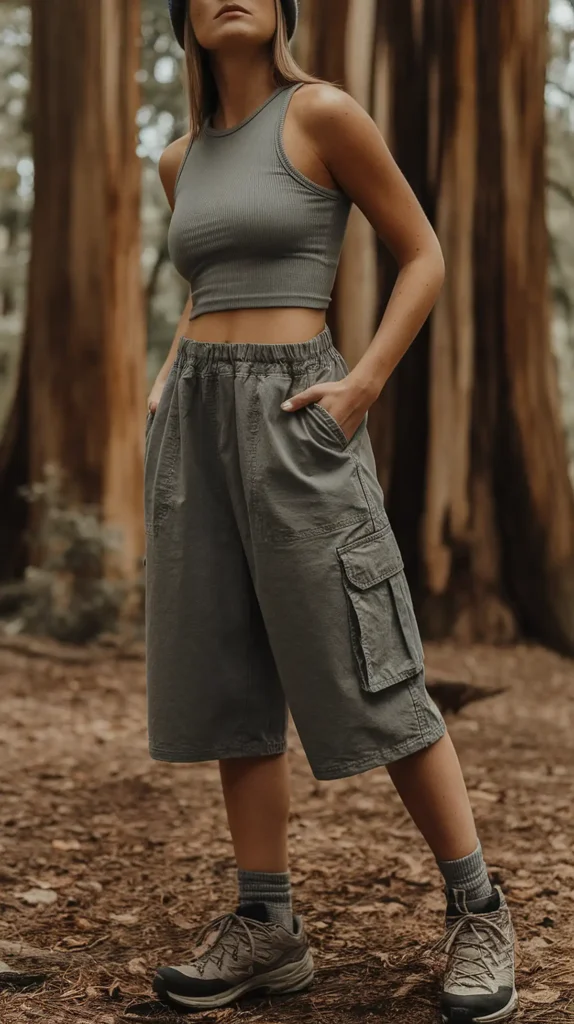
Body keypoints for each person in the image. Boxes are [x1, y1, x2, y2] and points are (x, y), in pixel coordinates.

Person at [144, 1, 517, 1020]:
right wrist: (168, 379)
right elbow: (202, 292)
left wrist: (360, 390)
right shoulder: (178, 159)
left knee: (373, 657)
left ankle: (476, 905)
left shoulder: (322, 115)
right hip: (197, 433)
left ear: (282, 9)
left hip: (298, 412)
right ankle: (267, 926)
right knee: (227, 672)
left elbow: (424, 254)